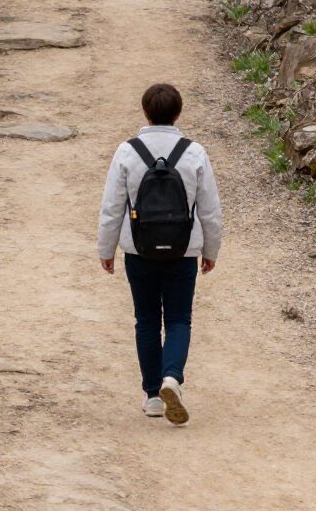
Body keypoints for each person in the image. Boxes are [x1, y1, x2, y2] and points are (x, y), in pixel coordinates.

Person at [97, 83, 222, 424]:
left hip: (139, 249)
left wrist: (106, 249)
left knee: (147, 320)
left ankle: (153, 395)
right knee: (179, 319)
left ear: (145, 112)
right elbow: (210, 209)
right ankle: (172, 377)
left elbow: (112, 207)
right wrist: (210, 249)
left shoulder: (127, 152)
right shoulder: (194, 152)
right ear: (178, 113)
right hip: (183, 251)